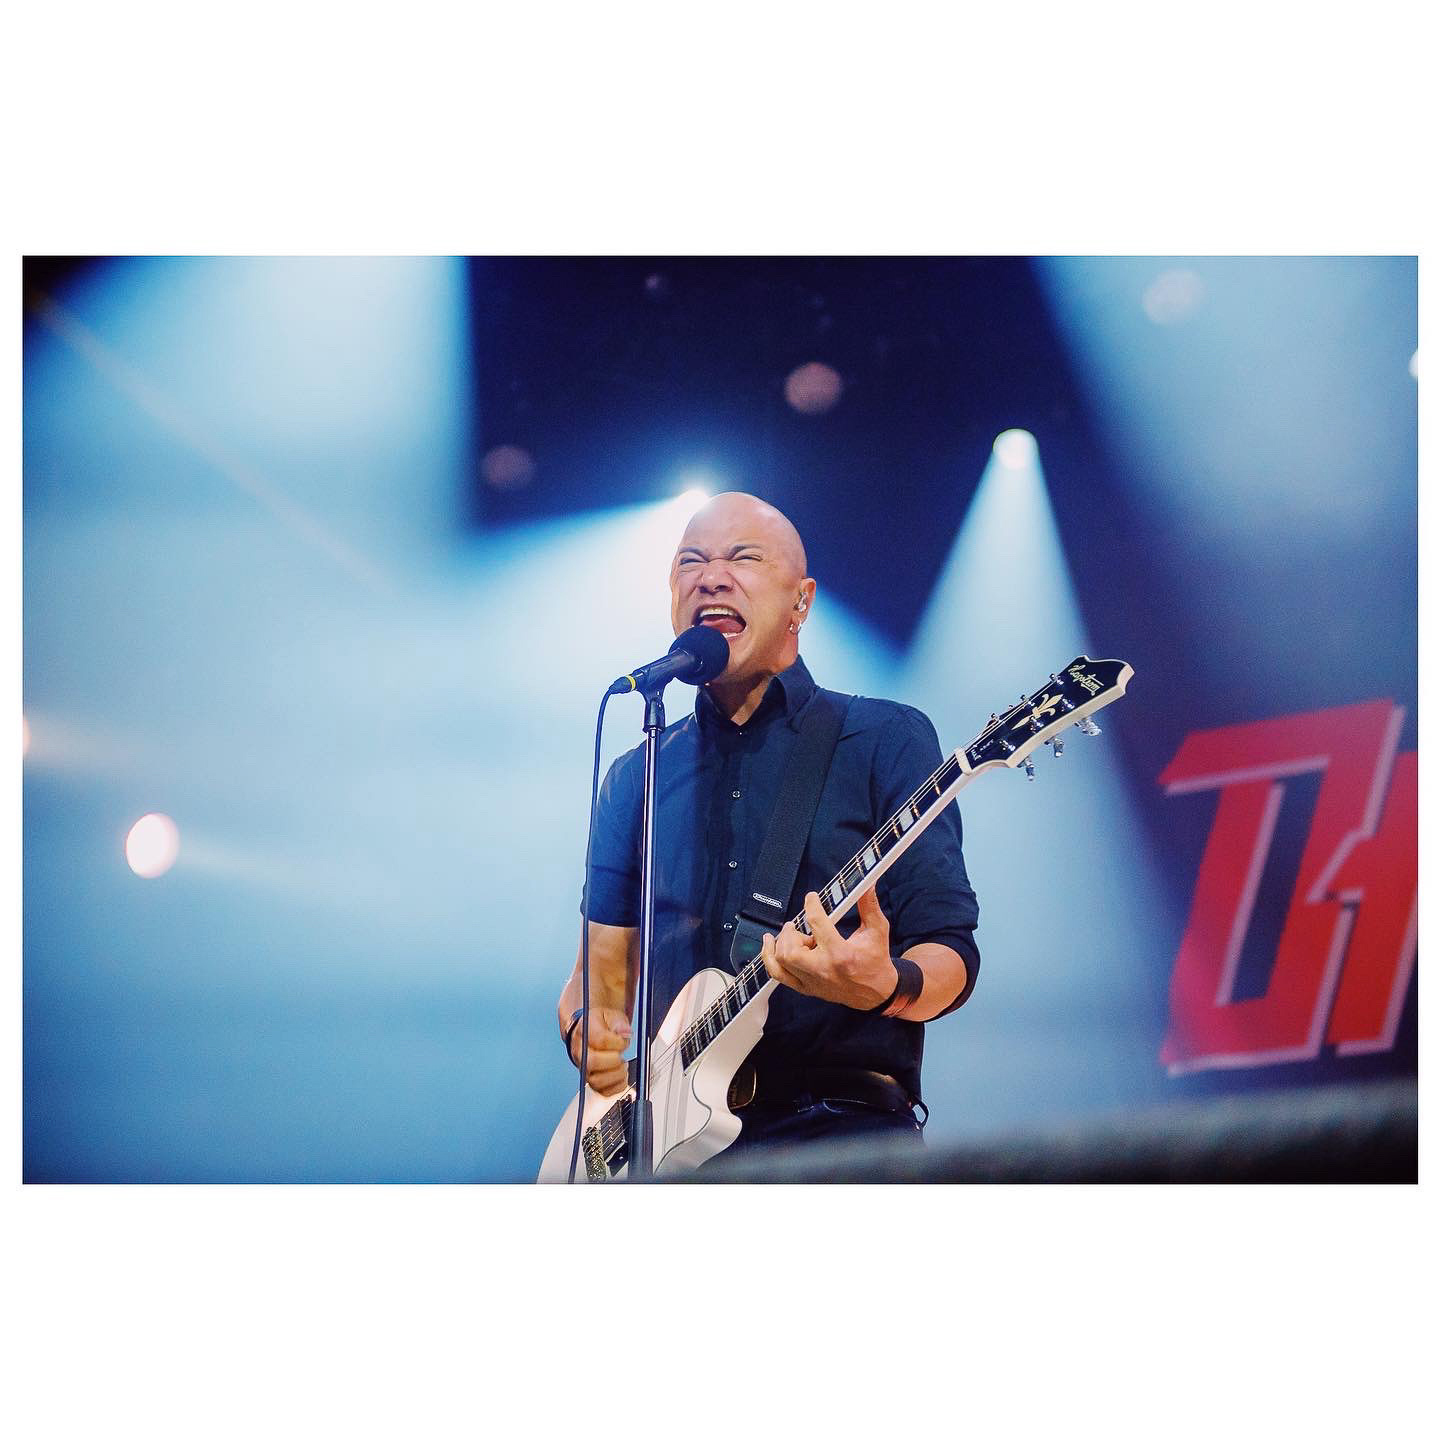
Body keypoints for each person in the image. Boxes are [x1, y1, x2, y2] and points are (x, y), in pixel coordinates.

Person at [556, 492, 980, 1164]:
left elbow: (951, 952)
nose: (711, 578)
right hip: (670, 1157)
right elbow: (595, 982)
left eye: (743, 558)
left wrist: (884, 984)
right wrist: (591, 1030)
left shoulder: (882, 738)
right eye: (690, 562)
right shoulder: (636, 773)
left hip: (837, 1142)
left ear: (801, 601)